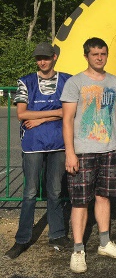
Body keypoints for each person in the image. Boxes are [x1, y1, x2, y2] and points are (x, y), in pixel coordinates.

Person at [61, 37, 116, 273]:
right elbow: (67, 119)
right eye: (95, 54)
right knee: (80, 201)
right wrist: (70, 152)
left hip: (109, 149)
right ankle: (78, 250)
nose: (100, 58)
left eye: (103, 54)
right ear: (86, 56)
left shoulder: (114, 82)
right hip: (83, 151)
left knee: (104, 196)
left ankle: (104, 242)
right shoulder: (74, 83)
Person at [4, 43, 71, 260]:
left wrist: (42, 118)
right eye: (38, 58)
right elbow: (22, 114)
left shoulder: (67, 80)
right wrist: (57, 113)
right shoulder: (25, 81)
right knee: (30, 192)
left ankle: (57, 235)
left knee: (55, 191)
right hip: (33, 144)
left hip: (59, 142)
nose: (42, 62)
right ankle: (22, 239)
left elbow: (71, 110)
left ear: (54, 57)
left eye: (46, 57)